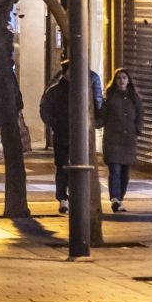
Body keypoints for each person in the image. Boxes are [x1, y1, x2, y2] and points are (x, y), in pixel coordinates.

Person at [39, 59, 104, 215]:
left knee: (80, 168)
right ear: (65, 72)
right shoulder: (55, 90)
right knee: (62, 167)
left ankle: (77, 199)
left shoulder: (85, 88)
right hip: (62, 135)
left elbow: (97, 104)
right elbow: (45, 110)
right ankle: (63, 198)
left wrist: (96, 122)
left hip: (82, 136)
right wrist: (54, 123)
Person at [102, 68, 144, 214]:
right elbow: (103, 116)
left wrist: (138, 129)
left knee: (125, 174)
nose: (122, 80)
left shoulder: (134, 98)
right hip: (113, 140)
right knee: (115, 170)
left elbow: (140, 114)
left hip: (128, 141)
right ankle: (115, 199)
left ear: (128, 80)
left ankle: (119, 199)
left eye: (124, 78)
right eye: (119, 78)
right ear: (115, 81)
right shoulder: (110, 97)